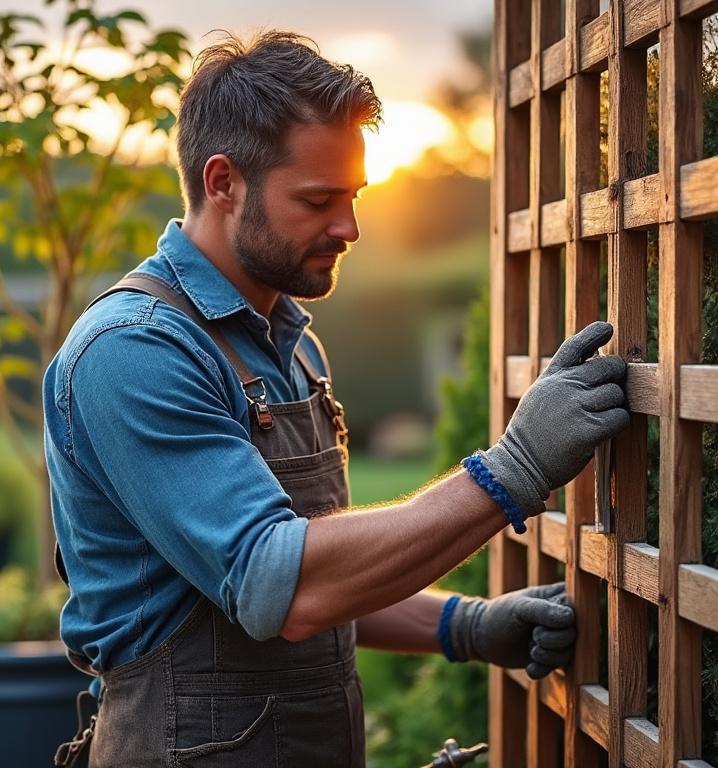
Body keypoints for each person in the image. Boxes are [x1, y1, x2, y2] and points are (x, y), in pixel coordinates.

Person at [44, 30, 630, 768]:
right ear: (223, 183)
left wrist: (467, 625)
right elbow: (279, 585)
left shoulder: (289, 343)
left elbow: (330, 571)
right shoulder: (133, 353)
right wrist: (513, 468)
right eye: (317, 200)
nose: (348, 228)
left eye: (352, 198)